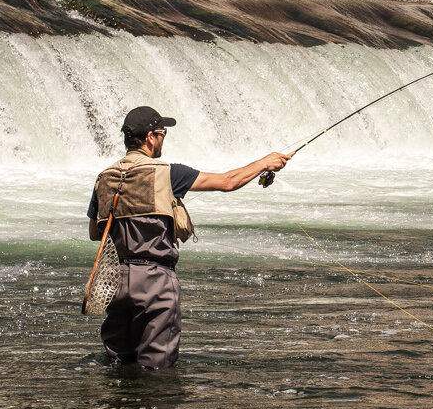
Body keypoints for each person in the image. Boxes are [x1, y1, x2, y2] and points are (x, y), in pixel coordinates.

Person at [87, 106, 290, 373]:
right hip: (155, 282)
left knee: (119, 366)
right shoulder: (167, 173)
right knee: (156, 371)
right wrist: (264, 163)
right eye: (162, 133)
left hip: (115, 283)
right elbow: (228, 181)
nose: (163, 138)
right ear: (150, 137)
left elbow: (95, 233)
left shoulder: (105, 178)